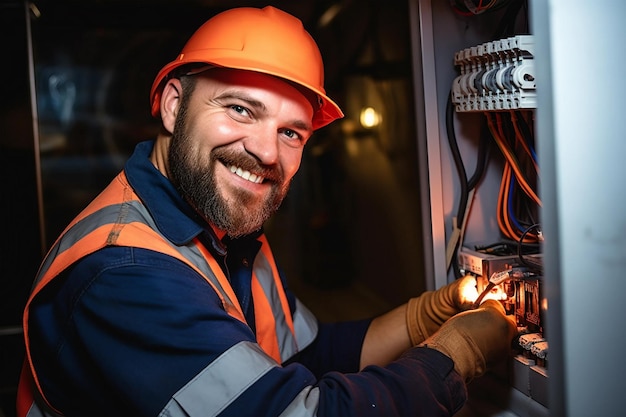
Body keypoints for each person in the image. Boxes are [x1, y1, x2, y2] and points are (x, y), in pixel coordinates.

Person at [17, 6, 516, 417]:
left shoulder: (225, 234)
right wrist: (455, 357)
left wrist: (420, 319)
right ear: (173, 106)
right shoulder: (125, 272)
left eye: (291, 132)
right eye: (239, 109)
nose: (268, 152)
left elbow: (304, 358)